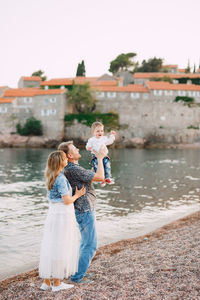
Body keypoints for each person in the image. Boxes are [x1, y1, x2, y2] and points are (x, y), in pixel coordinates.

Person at [58, 141, 107, 283]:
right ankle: (77, 277)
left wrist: (96, 161)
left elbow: (91, 176)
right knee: (90, 245)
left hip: (83, 208)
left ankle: (78, 272)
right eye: (74, 148)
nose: (78, 149)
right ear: (70, 155)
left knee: (85, 243)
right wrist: (100, 158)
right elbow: (100, 177)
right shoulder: (72, 168)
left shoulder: (72, 167)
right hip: (84, 209)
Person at [39, 150, 86, 292]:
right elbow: (66, 200)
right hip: (62, 214)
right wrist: (77, 195)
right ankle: (57, 283)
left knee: (51, 245)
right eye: (65, 158)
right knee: (60, 245)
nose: (67, 159)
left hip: (53, 213)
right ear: (60, 162)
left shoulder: (50, 176)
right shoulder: (60, 178)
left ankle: (47, 282)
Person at [86, 121, 116, 187]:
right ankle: (101, 179)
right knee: (97, 167)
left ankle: (107, 177)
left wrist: (112, 135)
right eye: (98, 131)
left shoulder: (104, 138)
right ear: (93, 132)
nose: (100, 133)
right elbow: (87, 147)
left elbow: (110, 141)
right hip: (96, 156)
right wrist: (89, 147)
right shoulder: (91, 140)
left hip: (104, 156)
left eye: (102, 131)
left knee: (107, 166)